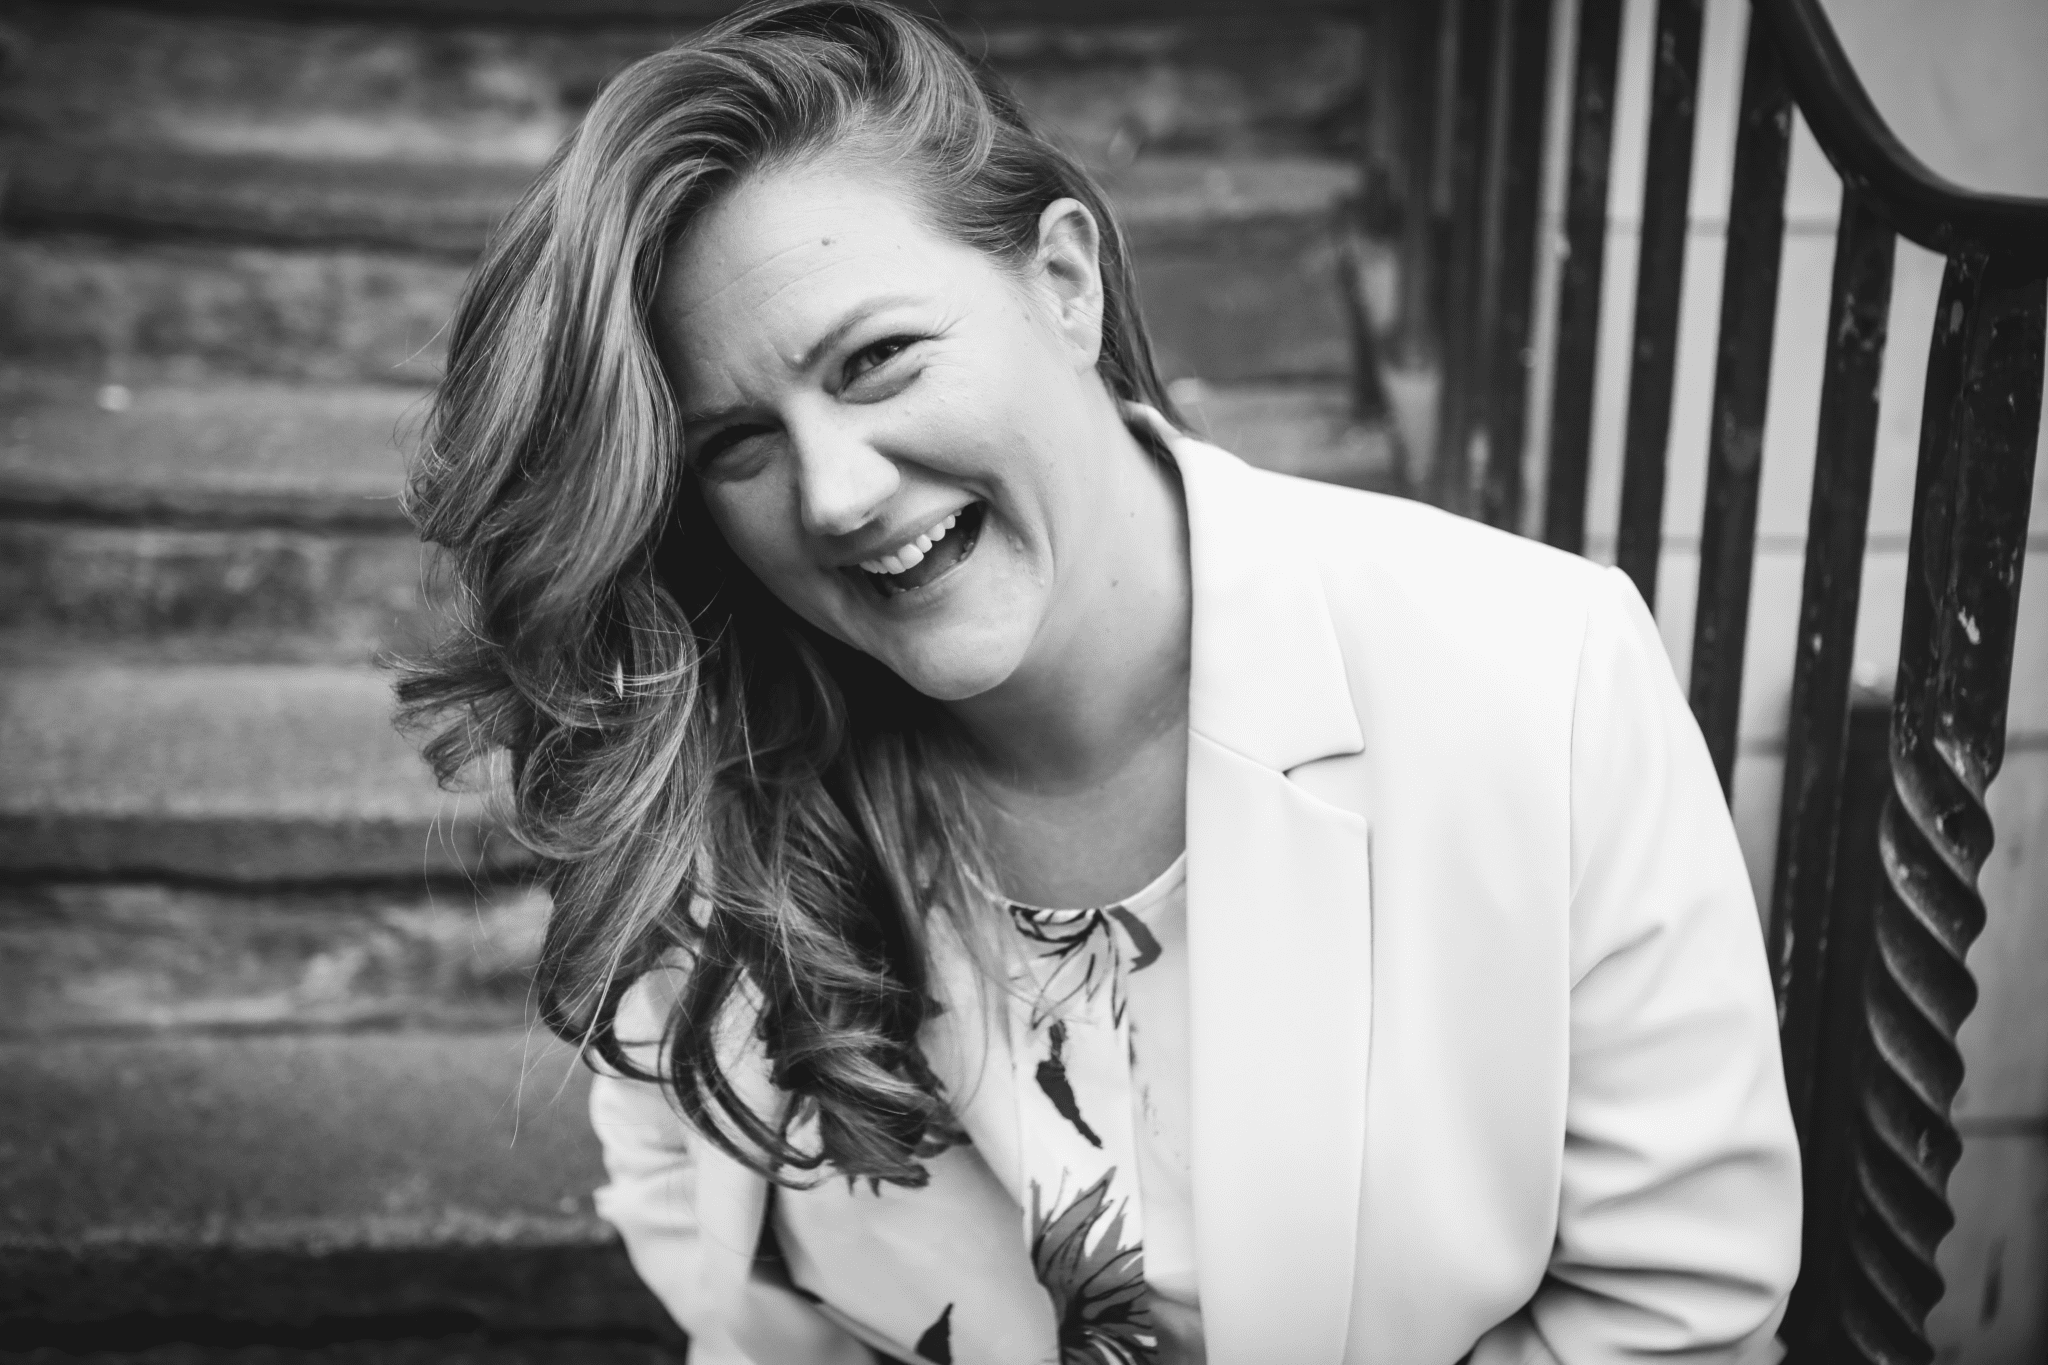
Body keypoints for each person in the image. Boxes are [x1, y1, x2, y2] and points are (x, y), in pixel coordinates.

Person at [399, 2, 1801, 1361]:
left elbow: (1677, 1305)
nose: (834, 492)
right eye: (737, 445)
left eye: (878, 360)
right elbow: (686, 1201)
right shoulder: (714, 750)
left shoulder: (1534, 673)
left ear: (1064, 283)